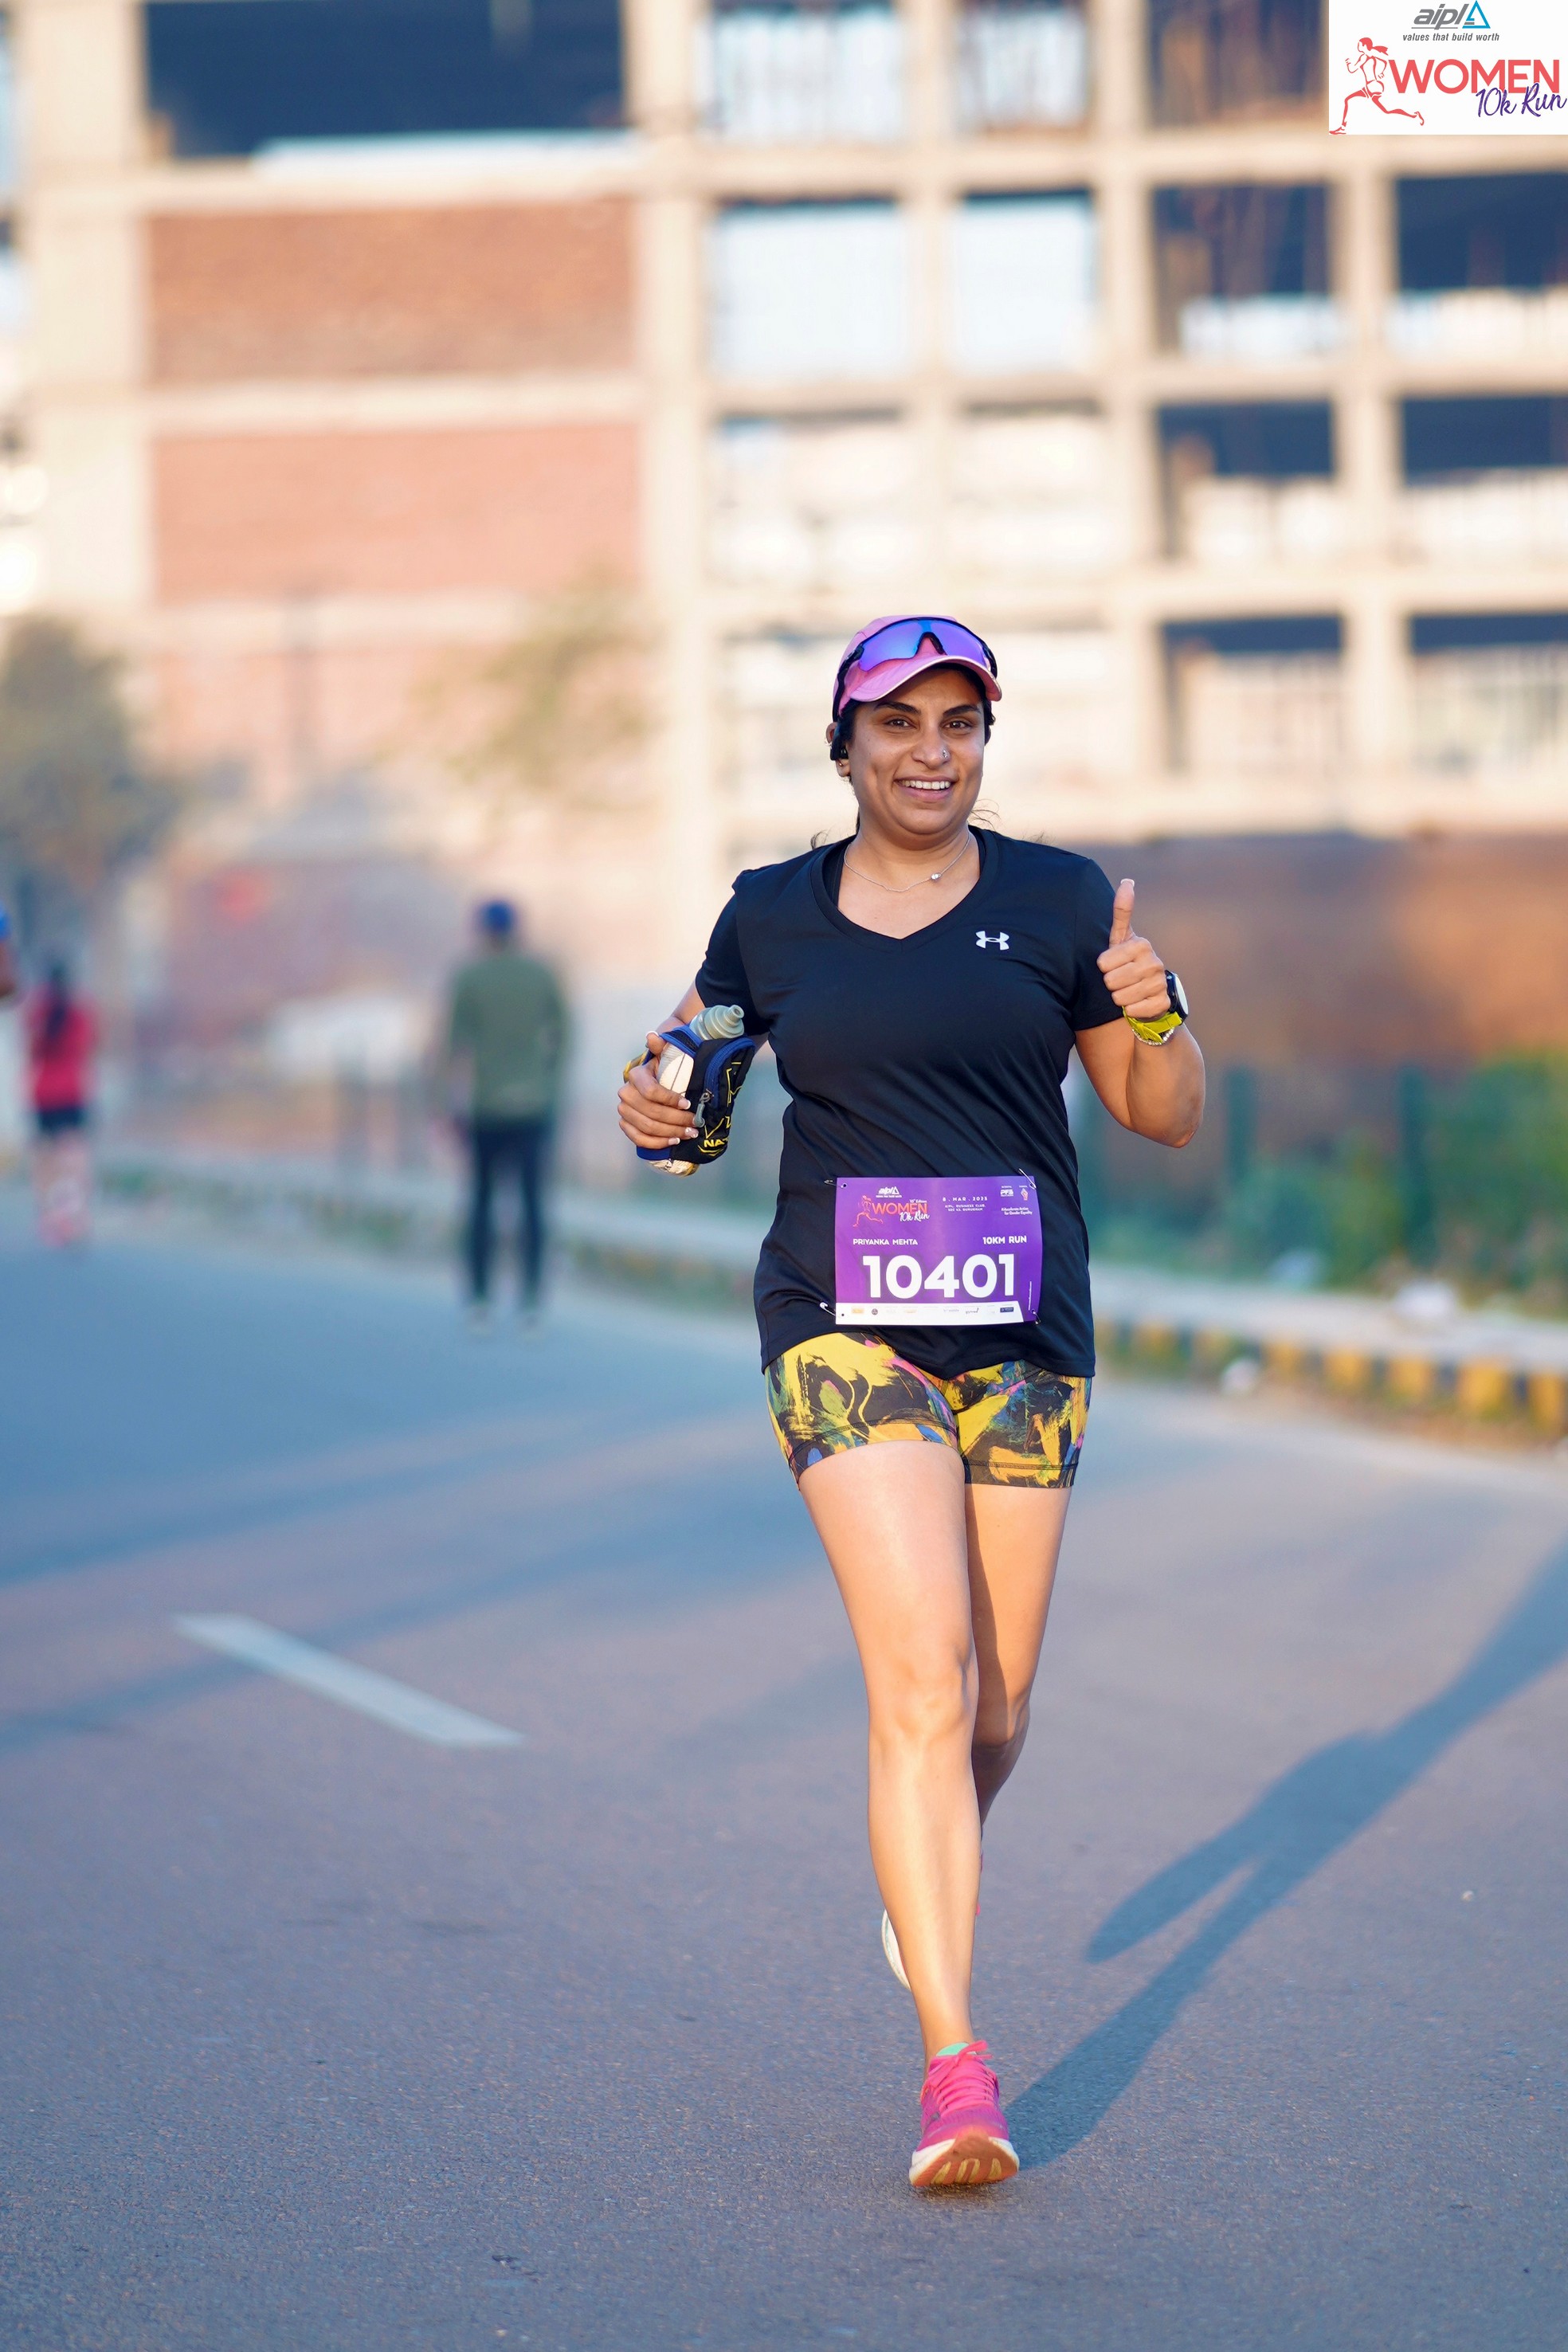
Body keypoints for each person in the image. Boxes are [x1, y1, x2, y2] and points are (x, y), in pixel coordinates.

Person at [617, 617, 1204, 2190]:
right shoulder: (769, 915)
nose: (931, 750)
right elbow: (690, 1089)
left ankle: (924, 1860)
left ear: (983, 741)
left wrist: (1153, 1009)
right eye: (898, 723)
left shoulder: (1060, 902)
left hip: (1023, 1333)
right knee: (924, 1685)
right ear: (846, 745)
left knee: (995, 1709)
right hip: (841, 1324)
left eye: (958, 722)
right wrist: (657, 1111)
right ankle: (956, 2069)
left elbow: (1160, 1115)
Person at [443, 899, 569, 1327]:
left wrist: (450, 1103)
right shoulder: (541, 974)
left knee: (482, 1203)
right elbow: (564, 1032)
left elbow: (454, 1044)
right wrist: (550, 1082)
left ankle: (480, 1299)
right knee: (533, 1205)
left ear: (484, 931)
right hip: (533, 1104)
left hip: (486, 1106)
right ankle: (531, 1301)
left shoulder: (470, 977)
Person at [25, 957, 97, 1247]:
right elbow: (87, 1046)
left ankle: (49, 1218)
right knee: (75, 1156)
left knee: (45, 1159)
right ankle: (77, 1216)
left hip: (43, 1092)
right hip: (72, 1091)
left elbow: (31, 1048)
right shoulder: (79, 1011)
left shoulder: (38, 1012)